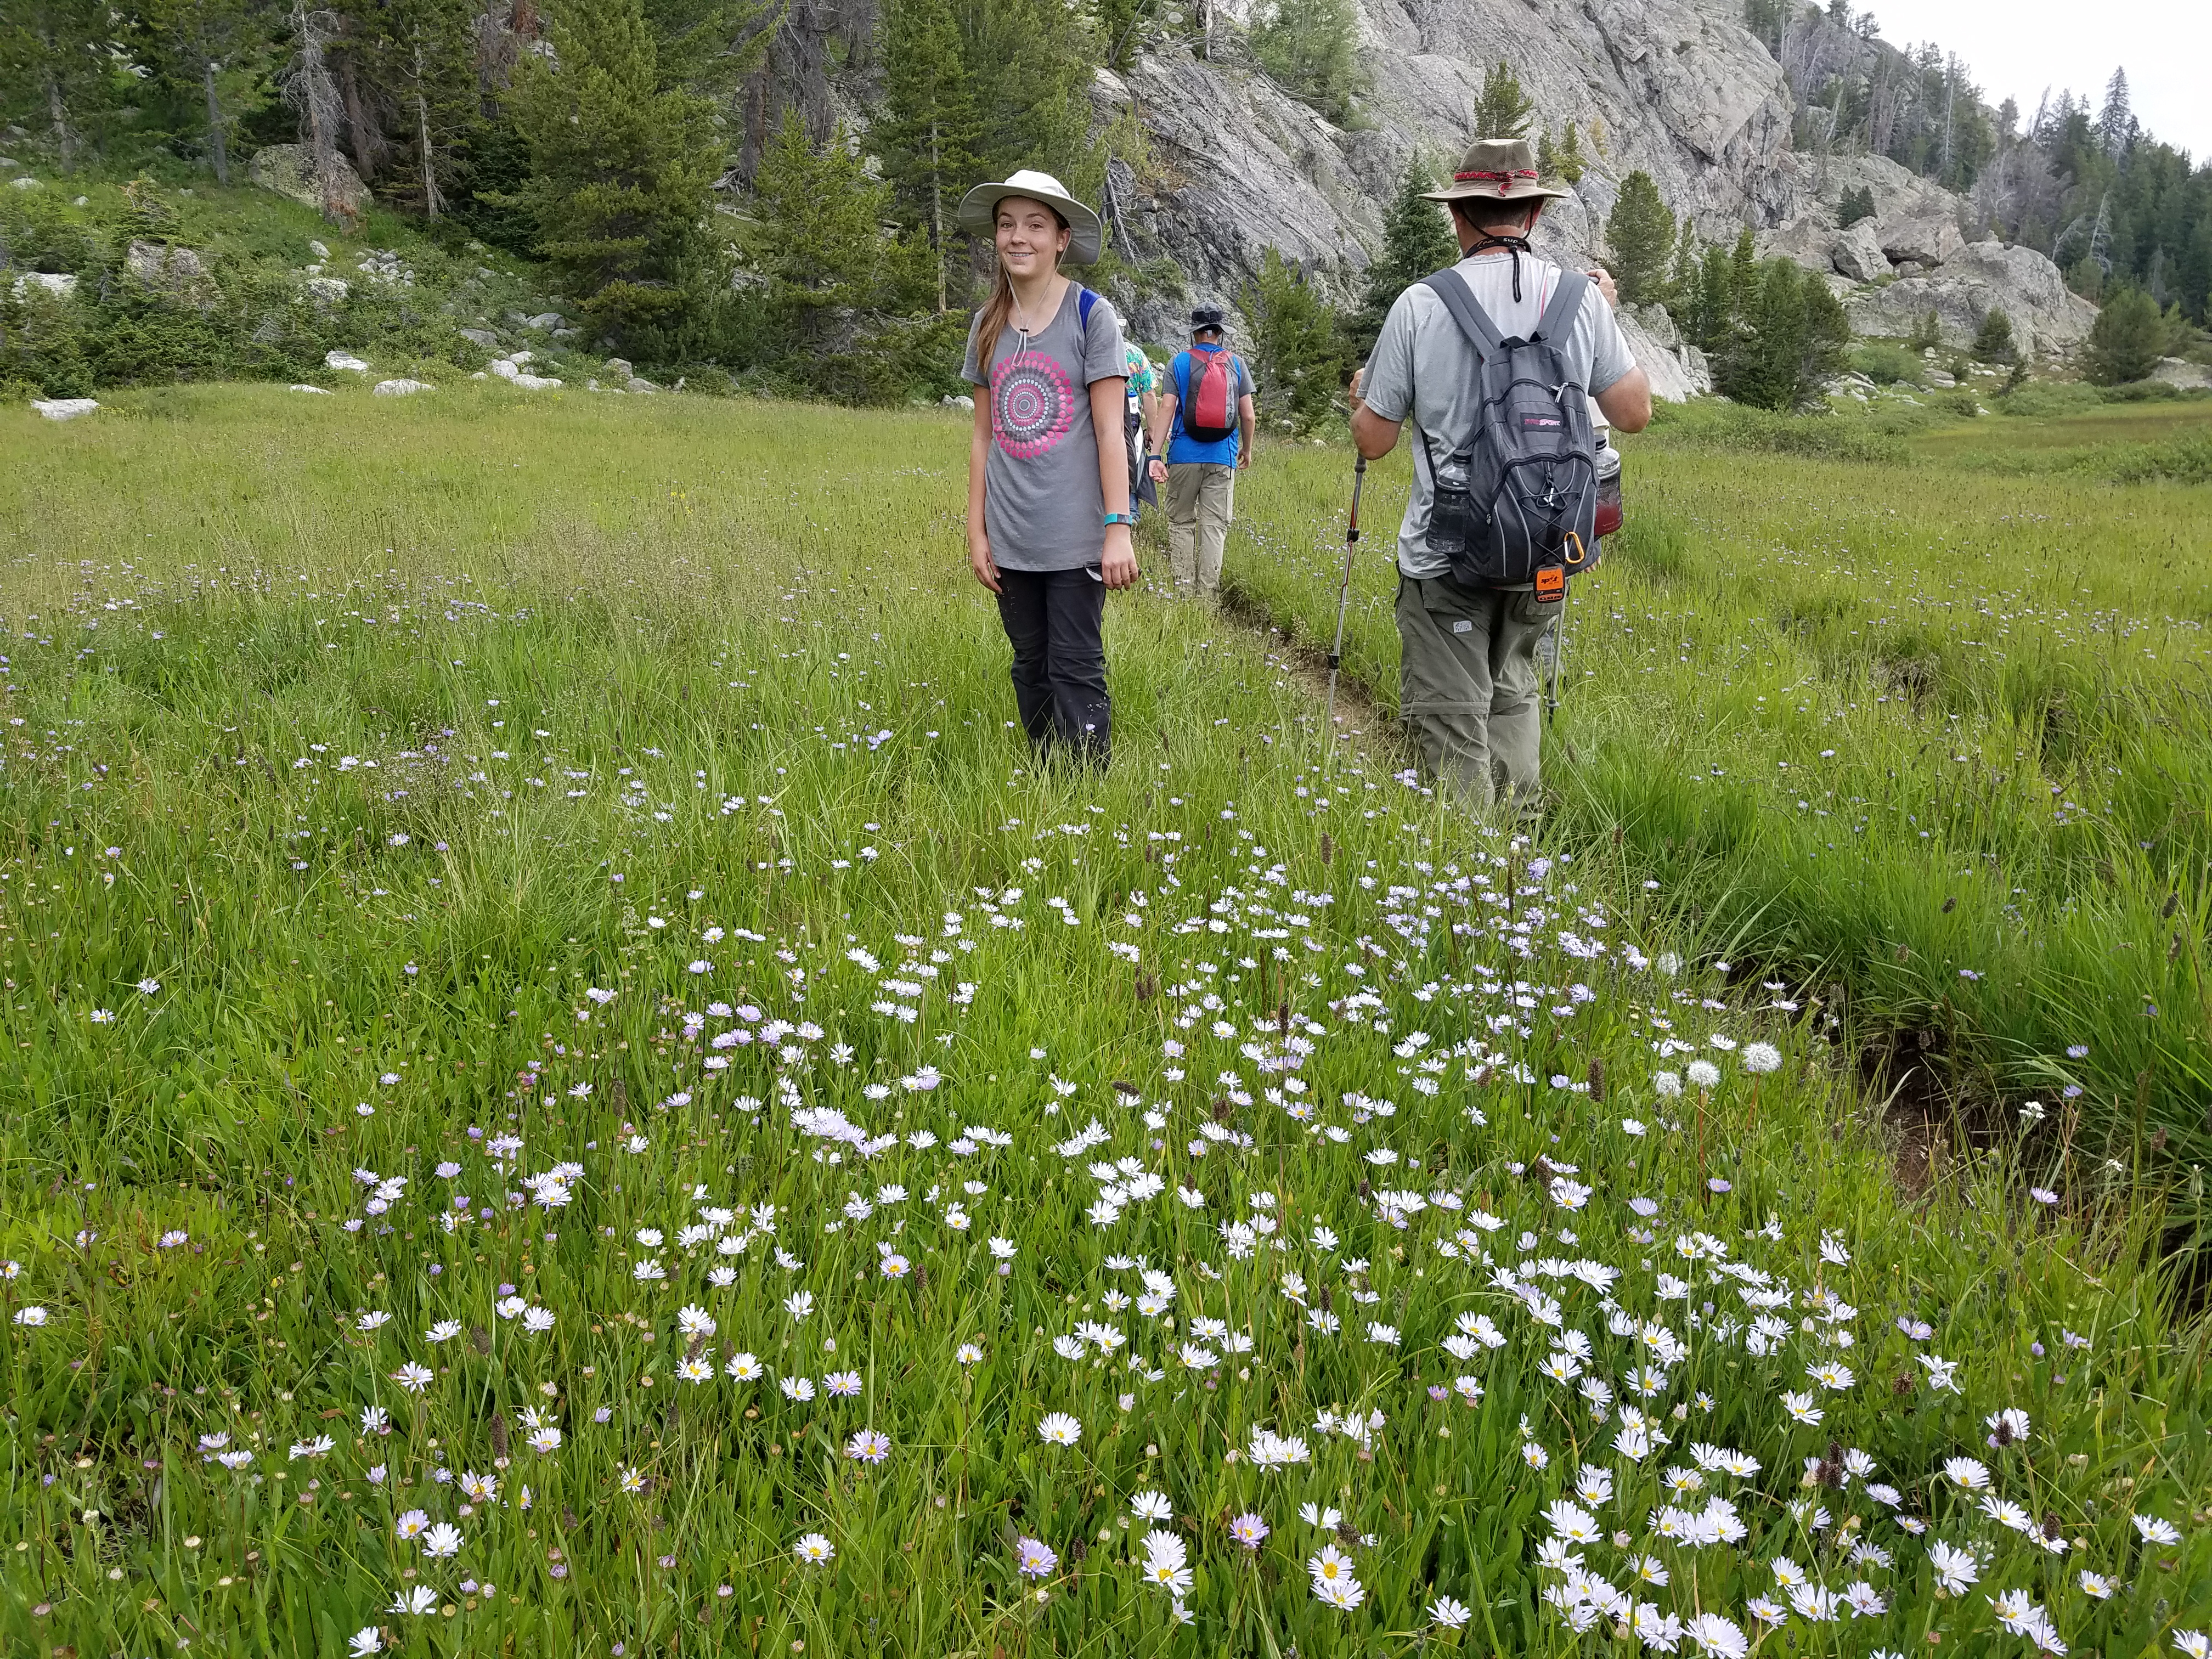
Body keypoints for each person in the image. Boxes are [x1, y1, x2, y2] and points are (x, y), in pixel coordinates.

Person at [1348, 136, 1652, 811]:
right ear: (1534, 215)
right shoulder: (1581, 299)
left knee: (1453, 716)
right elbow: (1633, 413)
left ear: (1460, 216)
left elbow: (1374, 442)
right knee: (1513, 690)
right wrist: (1600, 316)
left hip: (1446, 550)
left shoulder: (1422, 304)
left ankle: (1465, 878)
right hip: (1546, 542)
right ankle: (1519, 863)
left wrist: (1363, 399)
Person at [957, 169, 1136, 770]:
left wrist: (1119, 526)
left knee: (1076, 665)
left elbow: (1113, 432)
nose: (1018, 237)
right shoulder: (986, 325)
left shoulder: (1091, 316)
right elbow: (984, 435)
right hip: (1011, 537)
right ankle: (1046, 770)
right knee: (1029, 663)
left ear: (1062, 238)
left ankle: (1084, 795)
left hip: (1077, 537)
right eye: (1007, 224)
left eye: (1035, 225)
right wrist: (977, 530)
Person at [1147, 306, 1256, 598]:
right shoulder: (1237, 364)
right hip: (1223, 456)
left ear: (1194, 333)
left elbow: (1167, 408)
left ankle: (1183, 593)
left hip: (1183, 455)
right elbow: (1248, 416)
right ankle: (1207, 598)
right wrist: (1246, 449)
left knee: (1181, 522)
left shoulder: (1178, 362)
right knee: (1214, 526)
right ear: (1220, 334)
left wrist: (1155, 455)